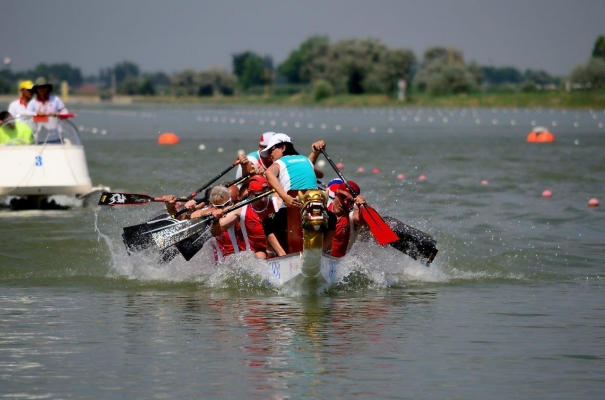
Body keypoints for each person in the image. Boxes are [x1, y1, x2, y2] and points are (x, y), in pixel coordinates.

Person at [261, 134, 326, 256]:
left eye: (271, 150)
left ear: (283, 148)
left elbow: (268, 173)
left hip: (293, 208)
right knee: (331, 218)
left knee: (268, 222)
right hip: (316, 208)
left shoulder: (280, 162)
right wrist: (316, 153)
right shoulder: (305, 160)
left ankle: (281, 255)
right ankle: (325, 252)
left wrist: (285, 197)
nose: (270, 155)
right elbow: (320, 174)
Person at [210, 175, 281, 259]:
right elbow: (216, 232)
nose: (263, 199)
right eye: (258, 195)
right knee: (260, 255)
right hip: (256, 254)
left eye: (265, 194)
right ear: (250, 194)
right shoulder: (241, 208)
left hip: (277, 249)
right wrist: (216, 220)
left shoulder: (278, 203)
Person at [325, 180, 367, 258]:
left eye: (350, 200)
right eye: (342, 196)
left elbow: (362, 218)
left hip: (337, 264)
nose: (344, 202)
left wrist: (363, 206)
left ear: (353, 203)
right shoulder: (324, 206)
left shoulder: (352, 217)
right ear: (335, 193)